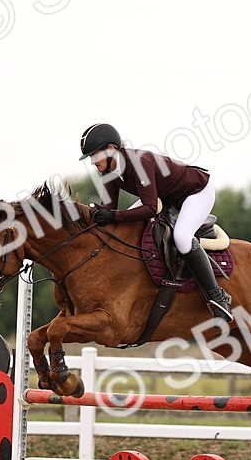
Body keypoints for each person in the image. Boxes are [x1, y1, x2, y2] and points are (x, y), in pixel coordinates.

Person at [79, 122, 232, 322]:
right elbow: (108, 207)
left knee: (182, 237)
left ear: (110, 149)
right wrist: (87, 215)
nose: (92, 162)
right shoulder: (109, 172)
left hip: (196, 192)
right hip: (168, 198)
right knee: (130, 227)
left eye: (94, 155)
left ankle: (218, 296)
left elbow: (150, 208)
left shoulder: (139, 162)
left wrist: (115, 216)